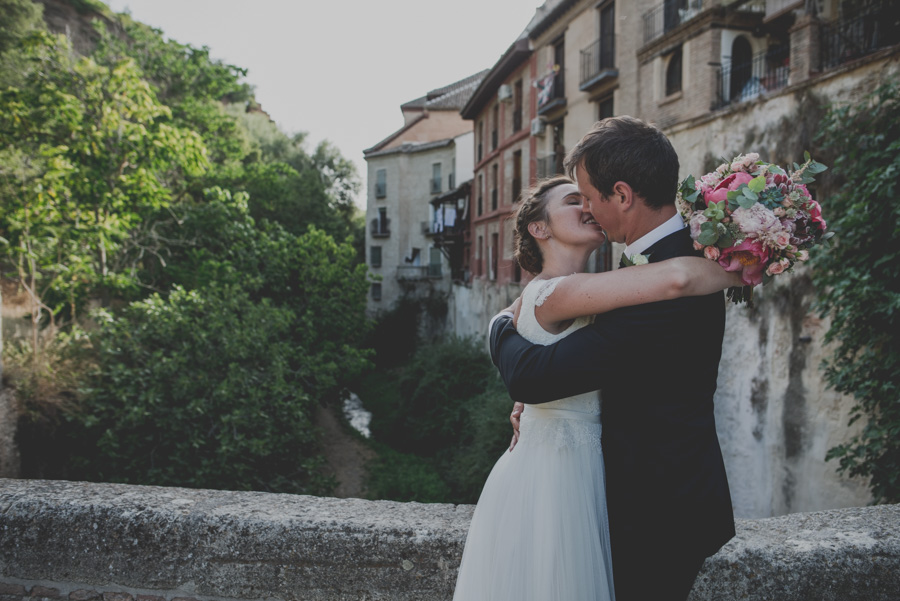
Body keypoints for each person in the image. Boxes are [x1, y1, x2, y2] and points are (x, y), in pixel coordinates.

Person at [453, 171, 742, 600]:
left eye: (587, 198)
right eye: (574, 200)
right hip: (556, 468)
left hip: (578, 460)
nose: (586, 207)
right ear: (539, 228)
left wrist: (502, 337)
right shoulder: (563, 290)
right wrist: (742, 270)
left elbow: (564, 355)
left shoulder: (563, 293)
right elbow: (677, 278)